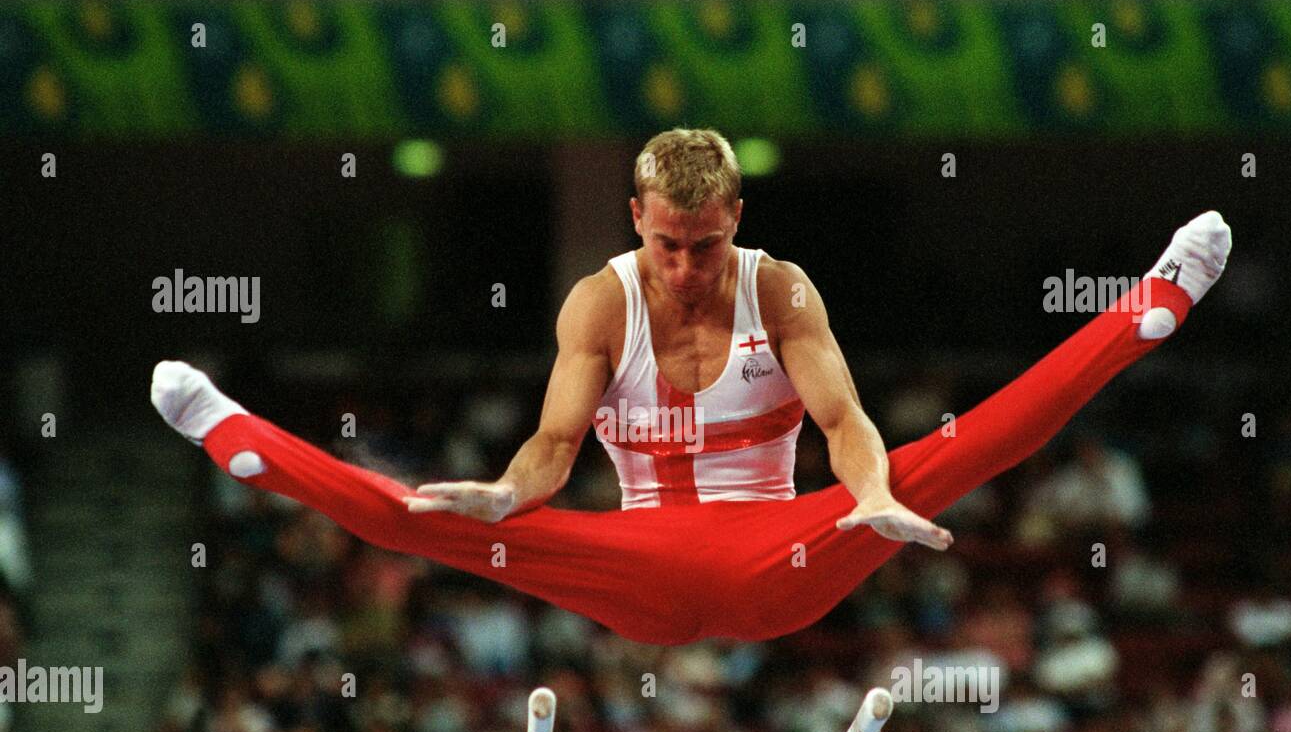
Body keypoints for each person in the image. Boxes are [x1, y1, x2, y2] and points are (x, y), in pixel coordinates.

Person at [150, 129, 1231, 646]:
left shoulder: (785, 292)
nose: (685, 267)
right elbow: (551, 449)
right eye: (668, 242)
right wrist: (505, 496)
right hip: (641, 563)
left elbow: (846, 420)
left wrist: (869, 499)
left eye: (706, 243)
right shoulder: (597, 303)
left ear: (738, 219)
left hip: (788, 551)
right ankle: (234, 431)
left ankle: (1151, 307)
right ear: (634, 219)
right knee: (425, 513)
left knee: (960, 450)